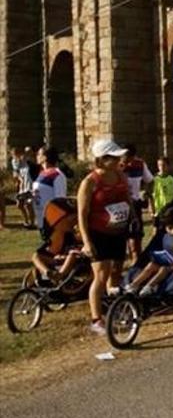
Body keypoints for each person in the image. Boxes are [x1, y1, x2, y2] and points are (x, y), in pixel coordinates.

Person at [78, 139, 133, 334]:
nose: (119, 159)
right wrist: (86, 241)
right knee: (101, 275)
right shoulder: (89, 182)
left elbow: (127, 198)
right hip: (97, 233)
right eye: (114, 156)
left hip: (118, 231)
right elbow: (82, 214)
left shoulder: (120, 176)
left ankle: (113, 309)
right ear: (102, 159)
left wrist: (132, 218)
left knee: (116, 271)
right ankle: (96, 319)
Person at [124, 206, 173, 296]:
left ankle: (149, 287)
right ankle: (133, 285)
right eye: (169, 228)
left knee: (163, 269)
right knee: (151, 265)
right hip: (167, 261)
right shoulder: (166, 237)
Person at [31, 197, 81, 283]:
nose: (74, 222)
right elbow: (45, 253)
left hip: (74, 259)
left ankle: (59, 275)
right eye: (72, 219)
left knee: (72, 255)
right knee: (36, 256)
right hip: (57, 260)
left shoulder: (73, 235)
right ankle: (47, 272)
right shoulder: (58, 237)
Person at [121, 145, 154, 261]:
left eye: (129, 158)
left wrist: (145, 193)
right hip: (120, 206)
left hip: (135, 204)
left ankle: (136, 263)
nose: (127, 161)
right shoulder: (116, 167)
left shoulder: (140, 164)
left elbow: (150, 180)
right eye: (125, 157)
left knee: (136, 238)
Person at [31, 146, 67, 231]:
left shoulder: (57, 175)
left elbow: (60, 200)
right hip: (41, 218)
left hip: (52, 220)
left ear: (45, 157)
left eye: (39, 154)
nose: (36, 156)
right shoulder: (41, 173)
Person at [11, 147, 37, 229]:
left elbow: (29, 155)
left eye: (16, 154)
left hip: (29, 184)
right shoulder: (15, 162)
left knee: (28, 204)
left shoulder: (27, 161)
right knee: (19, 205)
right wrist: (19, 180)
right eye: (13, 155)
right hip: (22, 186)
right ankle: (26, 220)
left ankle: (31, 223)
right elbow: (15, 173)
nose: (15, 156)